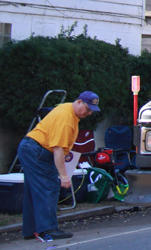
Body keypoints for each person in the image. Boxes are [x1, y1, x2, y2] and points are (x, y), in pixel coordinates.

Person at [18, 91, 100, 241]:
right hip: (37, 151)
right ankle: (48, 229)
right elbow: (57, 149)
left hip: (31, 148)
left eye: (91, 111)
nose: (88, 113)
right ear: (79, 102)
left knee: (34, 190)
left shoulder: (69, 111)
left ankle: (31, 230)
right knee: (49, 187)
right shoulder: (66, 118)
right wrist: (64, 176)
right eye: (88, 109)